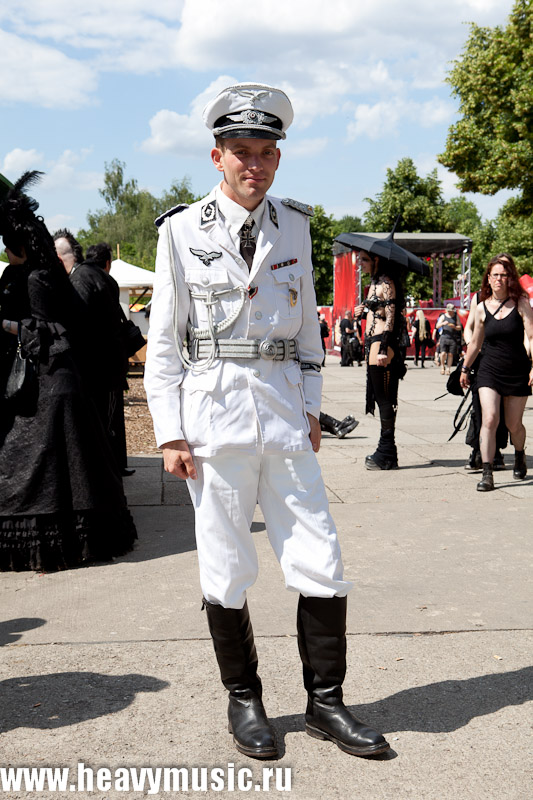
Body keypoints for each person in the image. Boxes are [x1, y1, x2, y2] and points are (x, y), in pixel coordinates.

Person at [145, 82, 389, 759]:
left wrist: (311, 408)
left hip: (284, 417)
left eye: (266, 152)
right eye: (241, 151)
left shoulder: (294, 224)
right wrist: (169, 431)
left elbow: (308, 330)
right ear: (216, 156)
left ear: (277, 158)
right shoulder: (179, 230)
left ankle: (325, 704)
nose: (255, 164)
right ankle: (245, 700)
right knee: (224, 566)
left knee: (322, 560)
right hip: (213, 419)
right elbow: (164, 342)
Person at [0, 172, 137, 570]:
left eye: (10, 246)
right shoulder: (17, 275)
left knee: (56, 472)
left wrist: (5, 326)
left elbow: (49, 333)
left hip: (50, 385)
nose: (7, 252)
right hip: (32, 386)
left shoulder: (41, 278)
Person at [54, 235, 133, 477]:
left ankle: (106, 472)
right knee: (108, 420)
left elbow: (82, 326)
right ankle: (112, 467)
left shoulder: (81, 278)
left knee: (103, 422)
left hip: (100, 367)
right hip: (106, 365)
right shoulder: (98, 277)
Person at [459, 255, 533, 491]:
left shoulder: (521, 303)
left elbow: (531, 337)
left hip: (517, 370)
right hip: (489, 370)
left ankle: (519, 453)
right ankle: (487, 472)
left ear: (509, 278)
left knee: (514, 425)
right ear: (488, 279)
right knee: (489, 418)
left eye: (504, 274)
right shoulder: (481, 308)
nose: (499, 279)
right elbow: (476, 344)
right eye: (495, 275)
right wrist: (465, 368)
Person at [354, 251, 406, 470]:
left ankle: (386, 451)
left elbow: (392, 316)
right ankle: (387, 451)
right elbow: (378, 313)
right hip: (373, 341)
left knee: (384, 398)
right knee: (380, 397)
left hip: (382, 342)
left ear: (376, 260)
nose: (360, 263)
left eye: (364, 259)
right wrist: (362, 310)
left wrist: (384, 347)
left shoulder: (386, 282)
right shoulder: (375, 282)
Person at [463, 282, 508, 472]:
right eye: (496, 274)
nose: (500, 279)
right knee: (479, 407)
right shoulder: (478, 298)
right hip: (483, 360)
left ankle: (496, 450)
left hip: (507, 359)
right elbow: (469, 328)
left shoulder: (515, 300)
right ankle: (478, 450)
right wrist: (473, 348)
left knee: (503, 410)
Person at [436, 303, 462, 375]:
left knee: (451, 354)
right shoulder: (443, 316)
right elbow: (437, 326)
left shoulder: (456, 316)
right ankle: (442, 366)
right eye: (449, 311)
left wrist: (455, 327)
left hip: (452, 337)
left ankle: (448, 368)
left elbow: (459, 327)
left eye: (451, 311)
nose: (450, 312)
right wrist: (443, 323)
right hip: (444, 337)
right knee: (443, 353)